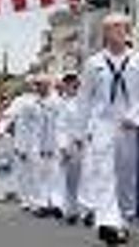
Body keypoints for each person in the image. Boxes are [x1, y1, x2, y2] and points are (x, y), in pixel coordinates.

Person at [77, 13, 139, 246]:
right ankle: (108, 223)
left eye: (120, 28)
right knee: (105, 173)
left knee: (126, 175)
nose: (116, 32)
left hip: (129, 125)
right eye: (111, 28)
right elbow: (85, 99)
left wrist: (137, 118)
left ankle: (123, 218)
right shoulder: (94, 64)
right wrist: (81, 132)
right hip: (103, 125)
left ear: (127, 31)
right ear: (105, 33)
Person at [32, 75, 66, 217]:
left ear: (49, 85)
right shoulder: (36, 104)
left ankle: (57, 204)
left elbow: (61, 125)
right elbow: (35, 127)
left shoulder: (57, 102)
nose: (39, 87)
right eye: (37, 85)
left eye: (41, 84)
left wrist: (60, 144)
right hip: (40, 144)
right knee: (42, 175)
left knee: (56, 175)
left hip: (55, 143)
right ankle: (43, 204)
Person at [56, 71, 85, 225]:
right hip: (71, 145)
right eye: (67, 82)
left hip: (87, 144)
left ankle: (86, 210)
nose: (71, 85)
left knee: (88, 178)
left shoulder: (86, 100)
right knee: (71, 181)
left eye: (73, 82)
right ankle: (71, 210)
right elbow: (60, 127)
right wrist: (63, 147)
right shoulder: (62, 104)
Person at [9, 75, 40, 211]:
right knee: (24, 173)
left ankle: (36, 199)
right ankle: (26, 199)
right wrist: (0, 131)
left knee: (35, 172)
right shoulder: (19, 101)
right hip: (23, 141)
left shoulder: (41, 100)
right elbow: (8, 117)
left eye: (34, 83)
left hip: (37, 142)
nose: (32, 86)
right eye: (30, 84)